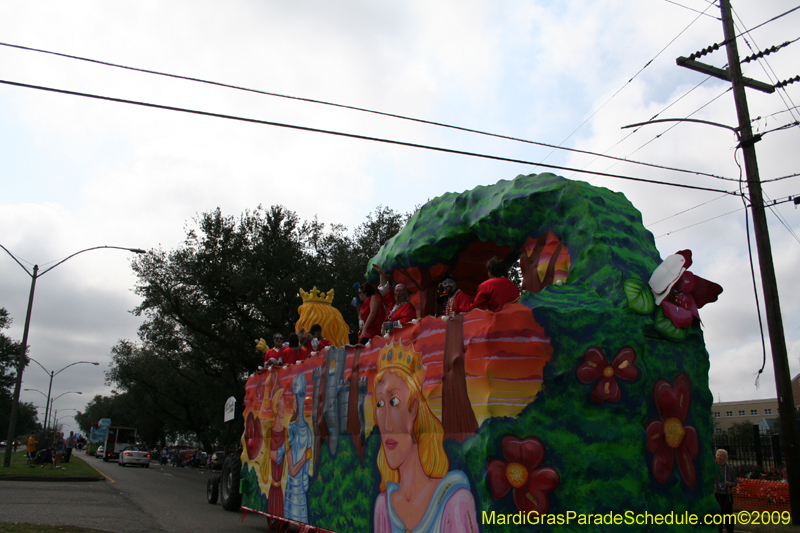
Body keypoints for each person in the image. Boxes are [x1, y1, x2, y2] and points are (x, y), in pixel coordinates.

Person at [373, 346, 478, 533]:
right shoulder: (383, 506)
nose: (386, 424)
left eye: (394, 402)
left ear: (413, 407)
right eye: (379, 404)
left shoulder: (454, 502)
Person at [285, 374, 312, 523]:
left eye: (294, 400)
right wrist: (304, 459)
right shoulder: (305, 430)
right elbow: (296, 470)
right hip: (297, 490)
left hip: (296, 491)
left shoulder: (293, 429)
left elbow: (295, 470)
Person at [261, 382, 287, 518]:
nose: (285, 404)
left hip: (280, 489)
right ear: (276, 406)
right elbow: (273, 456)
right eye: (283, 399)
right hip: (274, 488)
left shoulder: (286, 432)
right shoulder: (270, 433)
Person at [373, 265, 416, 332]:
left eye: (401, 291)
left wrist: (390, 325)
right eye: (396, 291)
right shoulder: (393, 304)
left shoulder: (408, 307)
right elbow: (385, 290)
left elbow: (408, 322)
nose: (398, 293)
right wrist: (382, 274)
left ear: (406, 294)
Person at [715, 449, 737, 533]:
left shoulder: (730, 469)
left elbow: (735, 482)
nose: (719, 457)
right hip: (716, 494)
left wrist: (730, 484)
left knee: (728, 515)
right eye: (718, 455)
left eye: (721, 456)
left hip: (727, 495)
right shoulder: (713, 467)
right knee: (717, 515)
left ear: (725, 458)